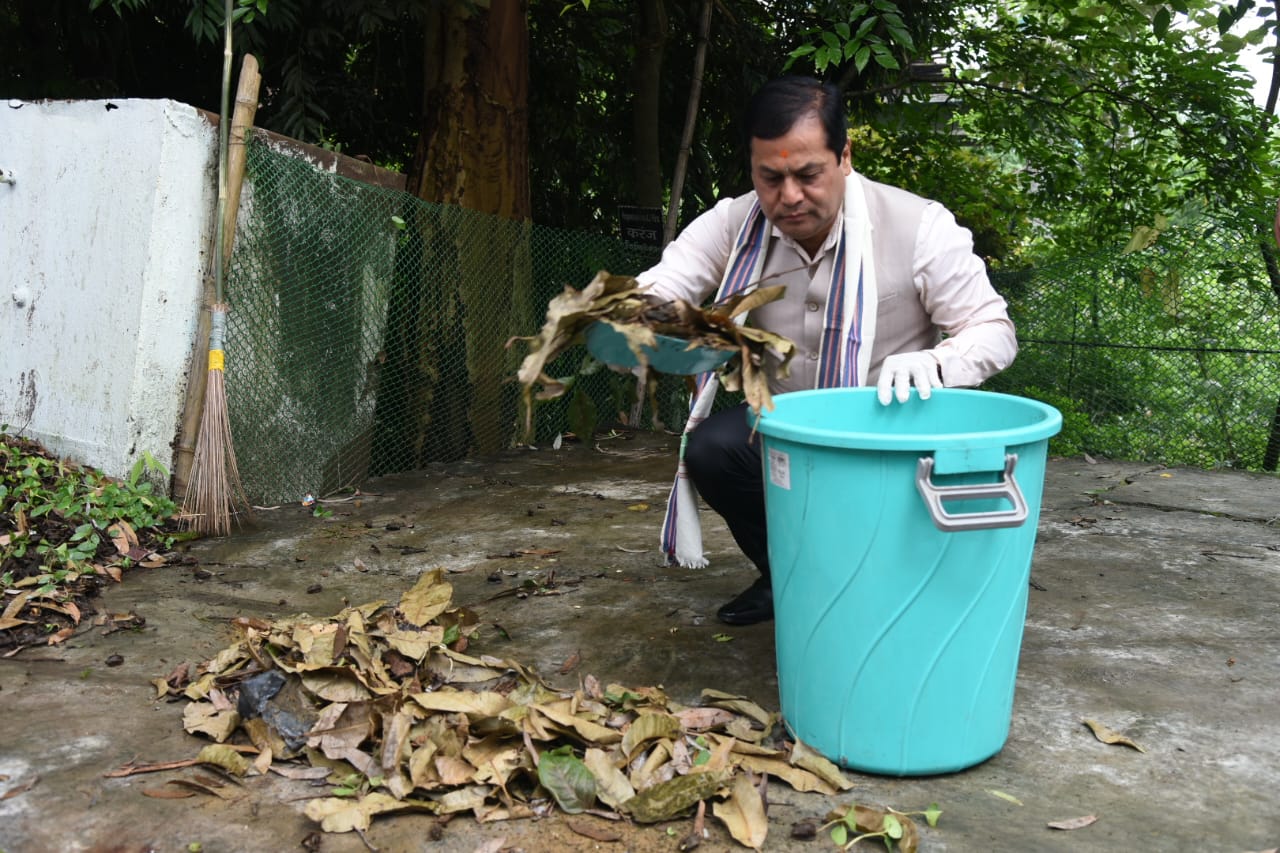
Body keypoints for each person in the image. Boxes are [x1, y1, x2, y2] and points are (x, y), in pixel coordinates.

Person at [635, 76, 1018, 626]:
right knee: (711, 451)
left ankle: (883, 590)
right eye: (770, 177)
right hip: (784, 431)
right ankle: (787, 578)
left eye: (808, 174)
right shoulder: (731, 224)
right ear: (752, 169)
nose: (788, 196)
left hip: (889, 437)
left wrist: (938, 362)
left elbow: (993, 328)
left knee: (892, 580)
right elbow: (663, 287)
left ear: (844, 157)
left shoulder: (918, 226)